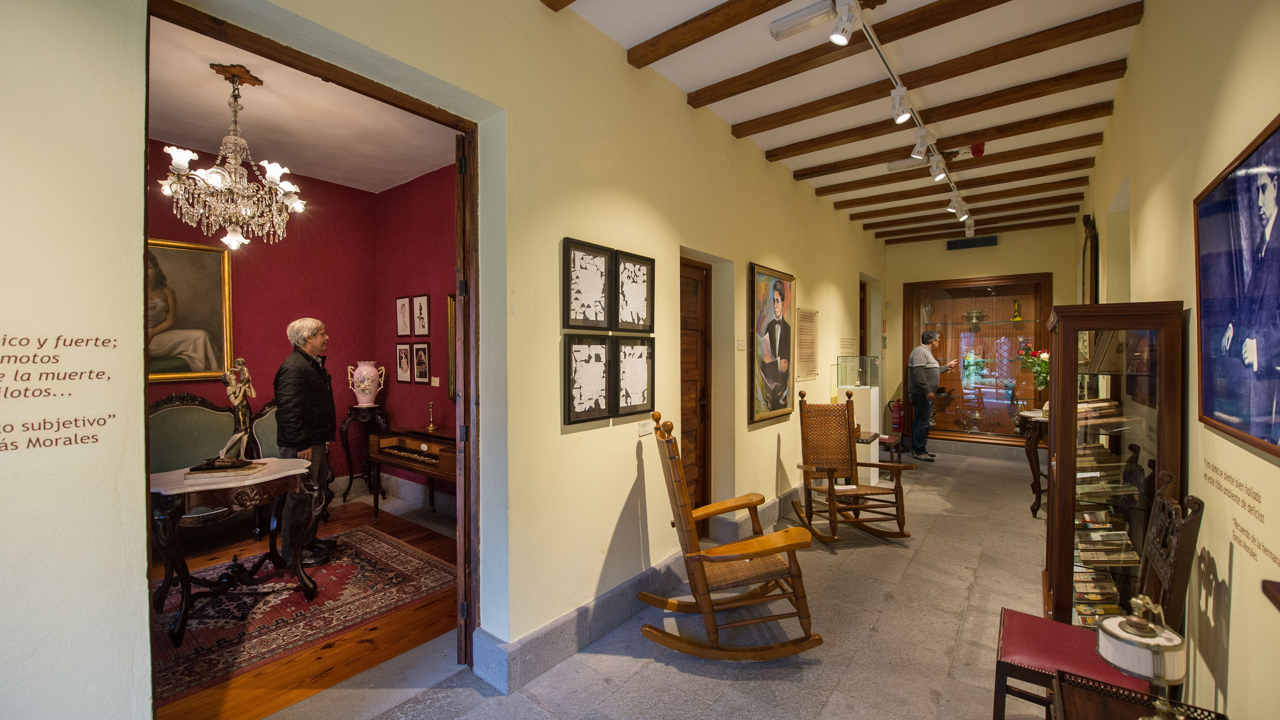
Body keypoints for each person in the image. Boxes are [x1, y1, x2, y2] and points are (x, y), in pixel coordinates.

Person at [1222, 163, 1280, 443]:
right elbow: (1249, 302)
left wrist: (1262, 346)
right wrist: (1234, 325)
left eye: (1264, 189)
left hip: (1273, 369)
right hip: (1258, 376)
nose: (1258, 201)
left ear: (1276, 189)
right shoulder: (1263, 244)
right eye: (1256, 191)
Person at [274, 318, 337, 566]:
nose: (327, 337)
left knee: (314, 495)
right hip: (301, 446)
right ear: (308, 338)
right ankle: (293, 554)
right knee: (300, 498)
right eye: (322, 333)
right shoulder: (293, 367)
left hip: (313, 441)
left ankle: (308, 542)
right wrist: (302, 445)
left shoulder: (308, 364)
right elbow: (289, 411)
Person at [146, 250, 220, 373]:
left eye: (149, 267)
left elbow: (170, 320)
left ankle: (216, 374)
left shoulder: (167, 292)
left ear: (157, 270)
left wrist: (151, 334)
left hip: (157, 335)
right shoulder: (134, 291)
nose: (147, 272)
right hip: (140, 338)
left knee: (202, 335)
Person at [907, 330, 959, 462]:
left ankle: (921, 449)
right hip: (921, 394)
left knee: (923, 421)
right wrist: (927, 391)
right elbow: (918, 374)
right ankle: (918, 451)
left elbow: (930, 371)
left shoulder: (926, 353)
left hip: (924, 393)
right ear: (932, 341)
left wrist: (946, 367)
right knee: (921, 422)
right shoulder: (919, 352)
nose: (939, 342)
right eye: (938, 340)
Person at [758, 280, 792, 411]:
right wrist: (777, 364)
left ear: (783, 303)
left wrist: (773, 364)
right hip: (769, 391)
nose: (775, 305)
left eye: (777, 301)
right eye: (774, 301)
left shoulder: (788, 330)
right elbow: (764, 367)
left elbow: (786, 369)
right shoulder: (769, 328)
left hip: (782, 391)